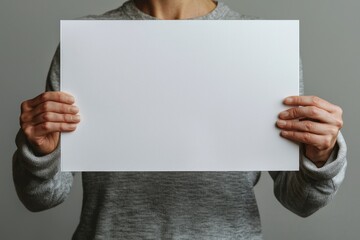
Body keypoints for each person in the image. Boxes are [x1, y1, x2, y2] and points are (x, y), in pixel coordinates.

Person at [13, 0, 347, 239]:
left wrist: (320, 158)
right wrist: (40, 152)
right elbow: (42, 197)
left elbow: (300, 201)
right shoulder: (87, 41)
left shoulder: (262, 46)